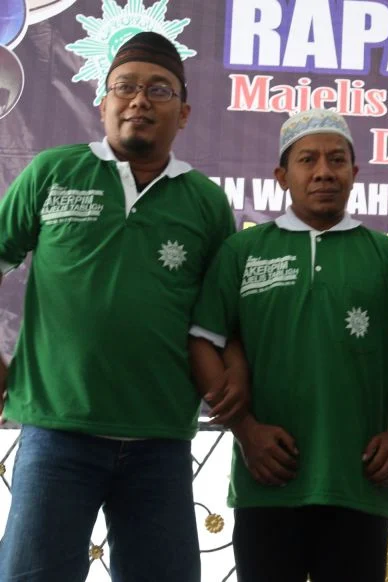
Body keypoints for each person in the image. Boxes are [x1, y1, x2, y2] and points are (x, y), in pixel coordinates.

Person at [0, 32, 244, 582]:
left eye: (158, 90)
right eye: (124, 87)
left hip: (159, 440)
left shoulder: (206, 202)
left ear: (183, 114)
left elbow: (223, 318)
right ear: (102, 102)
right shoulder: (52, 173)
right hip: (55, 432)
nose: (139, 100)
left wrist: (237, 385)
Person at [187, 109, 388, 582]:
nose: (324, 172)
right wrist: (246, 431)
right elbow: (204, 340)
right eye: (307, 160)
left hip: (358, 482)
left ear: (355, 172)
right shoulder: (243, 252)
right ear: (281, 176)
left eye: (337, 160)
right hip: (266, 481)